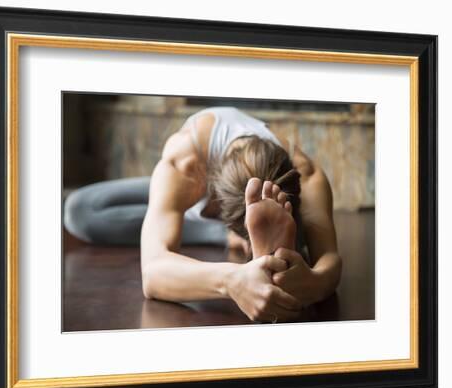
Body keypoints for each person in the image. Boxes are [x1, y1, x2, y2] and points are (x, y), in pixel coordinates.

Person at [64, 107, 342, 323]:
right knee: (79, 209)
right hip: (194, 203)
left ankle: (270, 250)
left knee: (305, 231)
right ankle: (232, 239)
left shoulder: (305, 173)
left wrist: (314, 283)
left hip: (264, 207)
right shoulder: (186, 161)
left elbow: (330, 259)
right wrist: (231, 281)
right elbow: (152, 273)